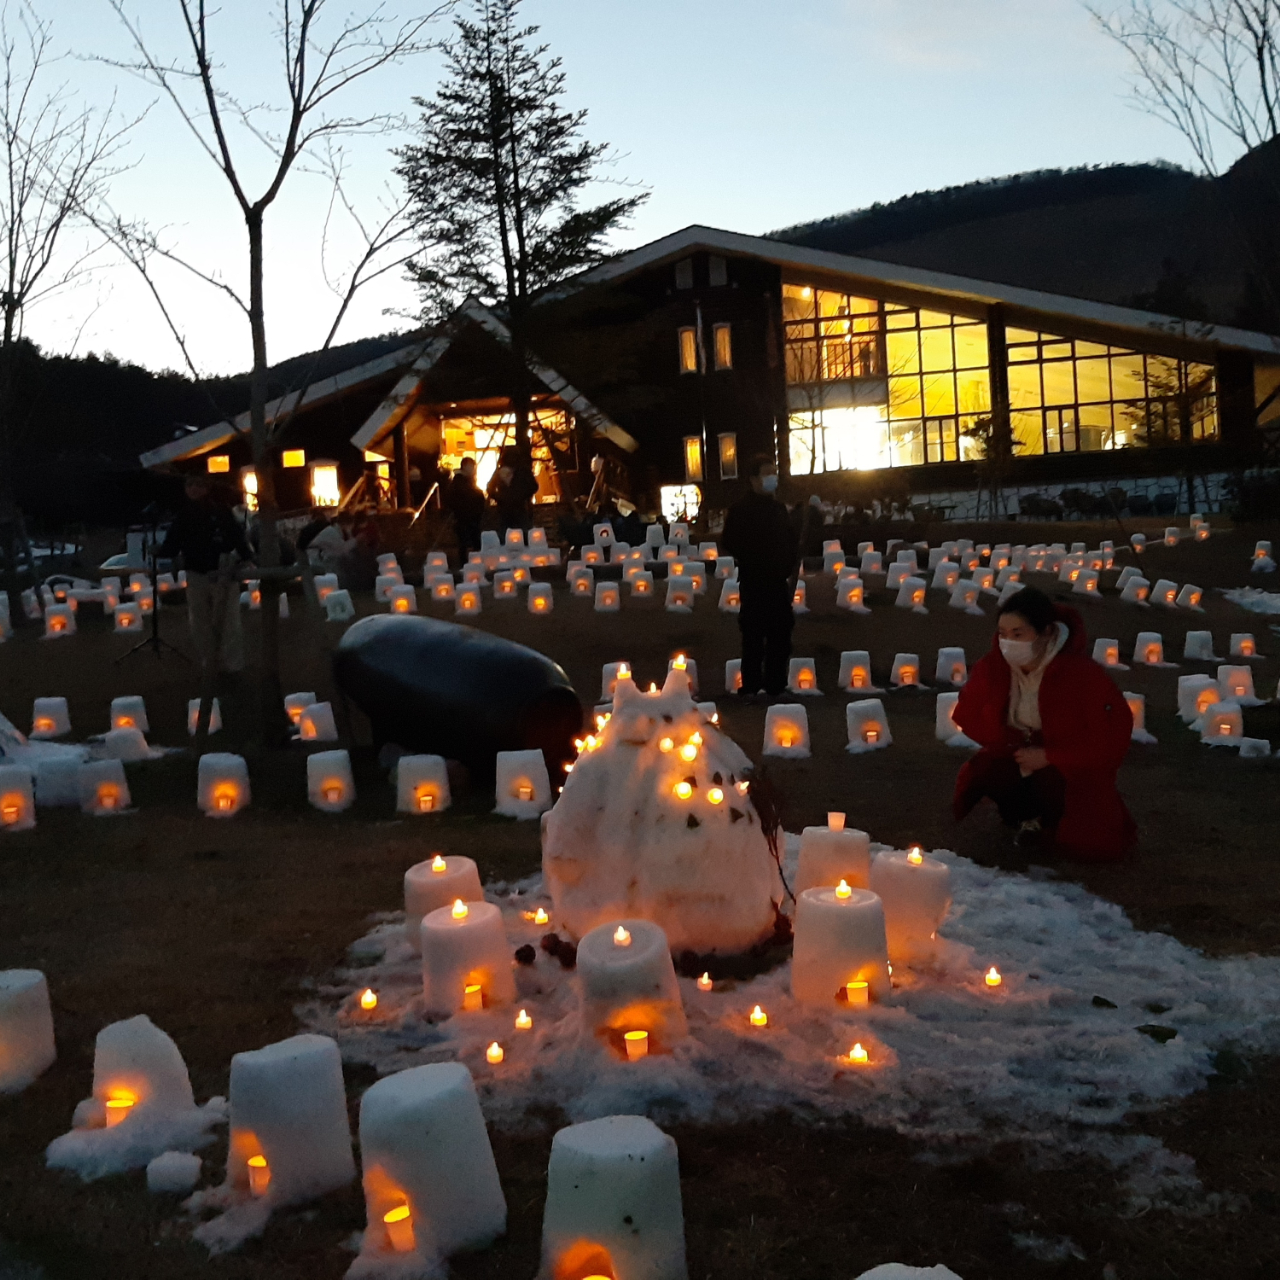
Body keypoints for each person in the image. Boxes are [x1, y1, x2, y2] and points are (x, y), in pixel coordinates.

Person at [952, 586, 1137, 861]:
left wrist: (1050, 755)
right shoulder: (994, 668)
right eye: (1002, 634)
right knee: (990, 772)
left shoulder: (1082, 675)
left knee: (1090, 843)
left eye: (1018, 634)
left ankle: (1055, 818)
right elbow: (967, 713)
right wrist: (1007, 743)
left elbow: (1110, 736)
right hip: (1018, 752)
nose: (1007, 643)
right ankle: (1027, 815)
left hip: (1069, 762)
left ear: (1046, 633)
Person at [721, 453, 799, 698]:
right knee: (753, 634)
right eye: (766, 474)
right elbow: (729, 541)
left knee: (780, 633)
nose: (771, 478)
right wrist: (754, 554)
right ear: (753, 479)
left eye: (773, 473)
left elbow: (789, 541)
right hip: (754, 580)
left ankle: (776, 685)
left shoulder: (778, 509)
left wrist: (787, 562)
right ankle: (751, 686)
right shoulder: (740, 510)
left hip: (777, 581)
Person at [159, 475, 254, 674]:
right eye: (190, 484)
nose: (193, 489)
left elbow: (236, 536)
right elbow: (172, 543)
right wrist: (161, 551)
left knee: (229, 620)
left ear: (206, 488)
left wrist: (247, 557)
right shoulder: (183, 514)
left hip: (223, 571)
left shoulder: (220, 511)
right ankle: (210, 661)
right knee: (199, 621)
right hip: (195, 572)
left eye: (198, 484)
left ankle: (233, 664)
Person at [486, 446, 539, 536]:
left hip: (506, 509)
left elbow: (490, 488)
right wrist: (523, 496)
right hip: (519, 508)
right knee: (523, 535)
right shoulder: (524, 471)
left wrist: (499, 498)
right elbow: (534, 486)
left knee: (505, 535)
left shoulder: (500, 472)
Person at [444, 455, 486, 558]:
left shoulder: (460, 482)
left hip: (466, 517)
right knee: (469, 544)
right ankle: (469, 565)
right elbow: (471, 496)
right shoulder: (461, 483)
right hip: (466, 517)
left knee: (466, 544)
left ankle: (467, 564)